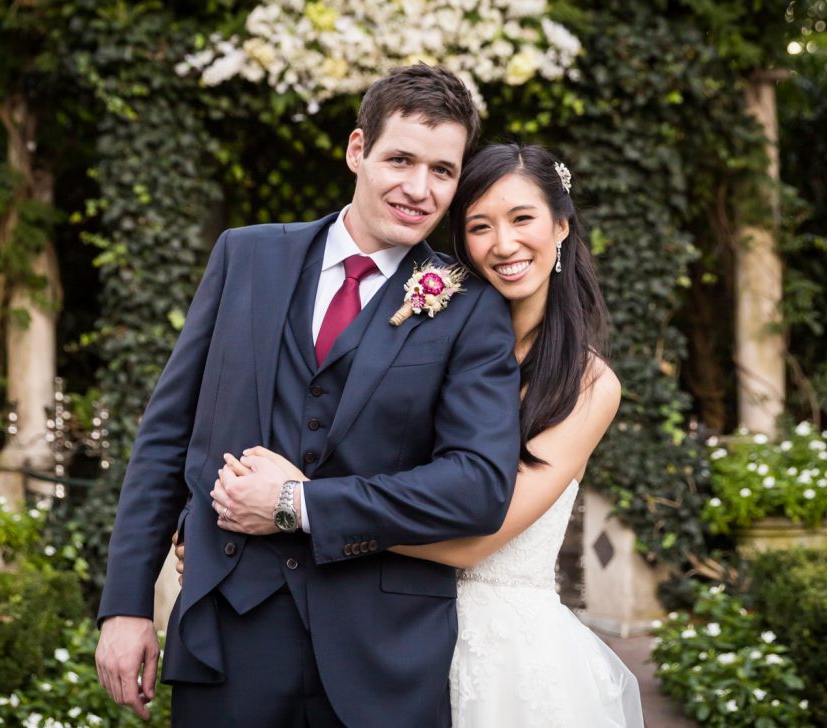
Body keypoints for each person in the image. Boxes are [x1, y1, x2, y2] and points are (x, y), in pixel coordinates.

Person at [94, 64, 523, 728]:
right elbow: (166, 437)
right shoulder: (245, 257)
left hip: (383, 651)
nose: (419, 188)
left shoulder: (470, 307)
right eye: (400, 159)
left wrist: (299, 505)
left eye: (442, 170)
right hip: (229, 635)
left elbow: (477, 486)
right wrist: (126, 607)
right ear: (357, 150)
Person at [204, 143, 645, 726]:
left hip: (500, 645)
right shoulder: (420, 327)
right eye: (480, 227)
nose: (504, 244)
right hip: (382, 627)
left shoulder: (586, 383)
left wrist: (295, 509)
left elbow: (479, 530)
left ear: (561, 225)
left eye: (522, 219)